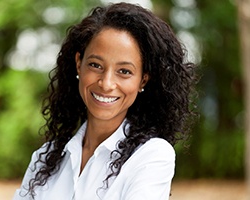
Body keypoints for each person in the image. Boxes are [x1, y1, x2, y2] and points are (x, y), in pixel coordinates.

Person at [13, 2, 197, 200]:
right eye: (95, 65)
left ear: (143, 79)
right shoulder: (45, 159)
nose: (106, 83)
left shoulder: (151, 156)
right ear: (78, 64)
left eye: (124, 71)